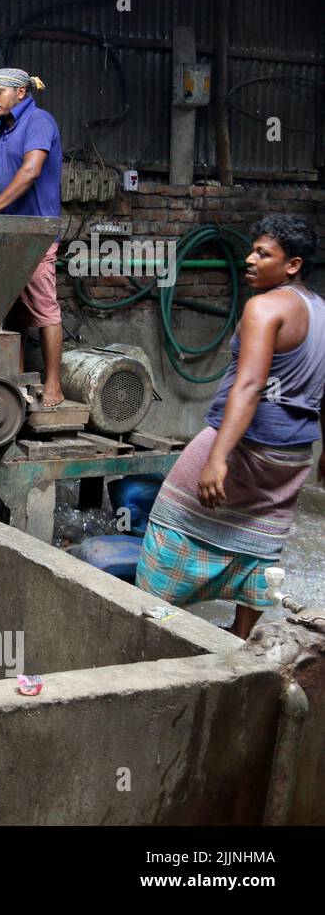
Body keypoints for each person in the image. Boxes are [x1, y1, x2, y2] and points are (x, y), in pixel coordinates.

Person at [136, 214, 325, 639]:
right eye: (252, 250)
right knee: (263, 536)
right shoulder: (321, 310)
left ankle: (148, 621)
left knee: (172, 515)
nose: (249, 259)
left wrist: (218, 456)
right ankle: (241, 637)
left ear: (292, 264)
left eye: (263, 253)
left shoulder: (264, 307)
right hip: (293, 453)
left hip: (249, 444)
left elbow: (251, 384)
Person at [0, 66, 65, 406]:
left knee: (44, 310)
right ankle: (15, 384)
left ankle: (53, 386)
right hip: (9, 233)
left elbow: (31, 171)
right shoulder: (2, 132)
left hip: (37, 233)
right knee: (13, 311)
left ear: (20, 92)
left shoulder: (39, 122)